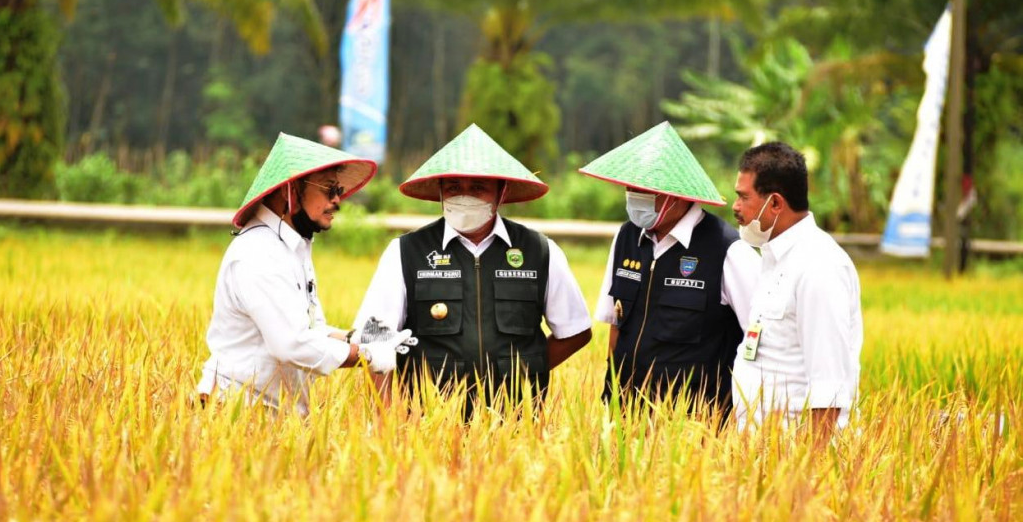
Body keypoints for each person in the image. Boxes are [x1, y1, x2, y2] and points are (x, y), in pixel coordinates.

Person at [354, 124, 593, 411]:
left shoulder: (539, 251)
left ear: (501, 192)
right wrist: (388, 416)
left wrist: (526, 371)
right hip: (429, 424)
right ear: (441, 192)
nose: (464, 195)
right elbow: (374, 337)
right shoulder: (406, 252)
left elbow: (576, 331)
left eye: (478, 187)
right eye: (454, 187)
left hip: (517, 427)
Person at [197, 132, 415, 415]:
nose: (338, 200)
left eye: (338, 190)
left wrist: (360, 337)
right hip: (240, 413)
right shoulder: (258, 253)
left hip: (278, 416)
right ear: (289, 190)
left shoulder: (293, 248)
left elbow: (312, 329)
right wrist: (367, 355)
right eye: (329, 189)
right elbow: (291, 343)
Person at [580, 121, 758, 414]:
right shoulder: (626, 237)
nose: (633, 195)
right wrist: (612, 400)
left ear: (678, 192)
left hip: (695, 426)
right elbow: (615, 326)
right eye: (629, 186)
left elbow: (758, 340)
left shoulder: (728, 250)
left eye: (643, 188)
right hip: (625, 416)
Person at [729, 141, 863, 441]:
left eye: (743, 197)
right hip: (761, 453)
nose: (735, 207)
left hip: (794, 457)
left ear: (775, 203)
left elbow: (829, 386)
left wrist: (808, 474)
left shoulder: (818, 265)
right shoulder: (773, 258)